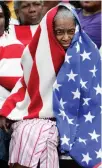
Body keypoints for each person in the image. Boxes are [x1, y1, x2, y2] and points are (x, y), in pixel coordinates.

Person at [0, 2, 101, 168]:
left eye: (71, 31)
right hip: (40, 114)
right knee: (29, 133)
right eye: (59, 32)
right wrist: (6, 110)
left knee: (44, 134)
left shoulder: (88, 53)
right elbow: (25, 83)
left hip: (80, 116)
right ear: (49, 31)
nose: (66, 38)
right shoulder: (36, 54)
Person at [0, 2, 24, 167]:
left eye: (0, 16)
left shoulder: (15, 46)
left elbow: (18, 86)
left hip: (7, 114)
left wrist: (2, 111)